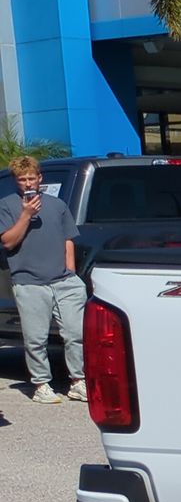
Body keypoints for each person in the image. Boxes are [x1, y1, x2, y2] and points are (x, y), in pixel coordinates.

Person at [1, 155, 87, 405]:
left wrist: (70, 272)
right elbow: (8, 241)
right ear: (16, 181)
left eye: (31, 178)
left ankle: (78, 382)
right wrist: (26, 214)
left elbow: (68, 239)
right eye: (22, 179)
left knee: (75, 334)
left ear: (40, 178)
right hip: (29, 282)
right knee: (36, 338)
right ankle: (41, 384)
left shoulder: (57, 205)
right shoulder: (6, 205)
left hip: (63, 281)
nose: (28, 183)